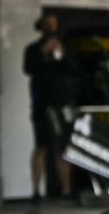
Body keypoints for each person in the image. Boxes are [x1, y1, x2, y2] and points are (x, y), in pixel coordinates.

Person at [23, 12, 79, 204]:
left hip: (61, 103)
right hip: (42, 104)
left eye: (53, 24)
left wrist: (61, 54)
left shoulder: (65, 48)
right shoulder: (33, 49)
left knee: (62, 147)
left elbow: (75, 69)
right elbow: (29, 69)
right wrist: (43, 52)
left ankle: (66, 189)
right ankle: (36, 190)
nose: (51, 29)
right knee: (41, 147)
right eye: (47, 25)